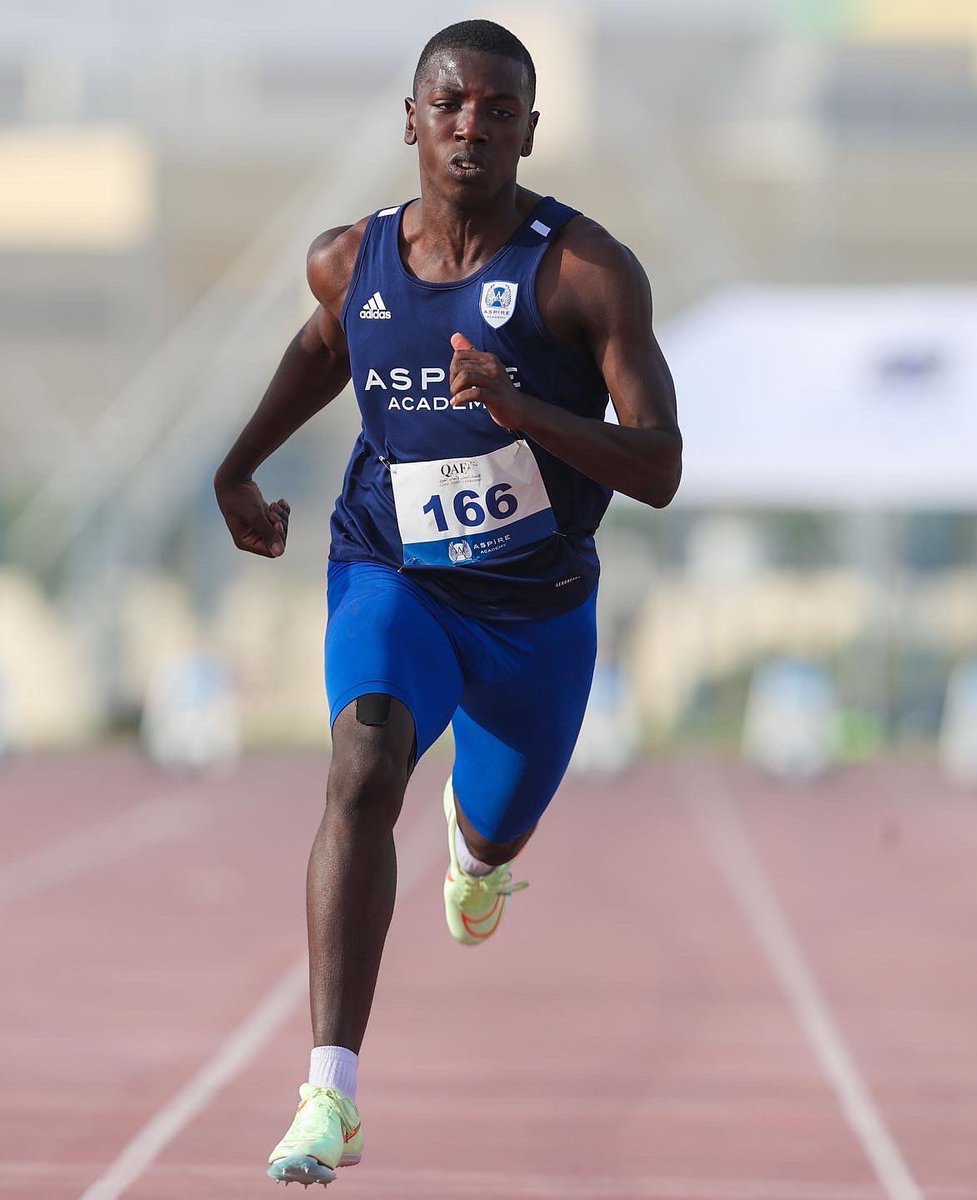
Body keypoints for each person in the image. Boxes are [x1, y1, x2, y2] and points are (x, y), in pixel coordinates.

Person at [213, 20, 681, 1187]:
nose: (472, 125)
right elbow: (328, 349)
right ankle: (332, 1094)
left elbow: (661, 463)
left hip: (537, 616)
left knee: (493, 827)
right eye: (451, 102)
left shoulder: (584, 273)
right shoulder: (349, 259)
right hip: (395, 571)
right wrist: (237, 467)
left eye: (498, 107)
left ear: (530, 127)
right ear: (412, 119)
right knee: (364, 764)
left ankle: (479, 860)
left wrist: (529, 413)